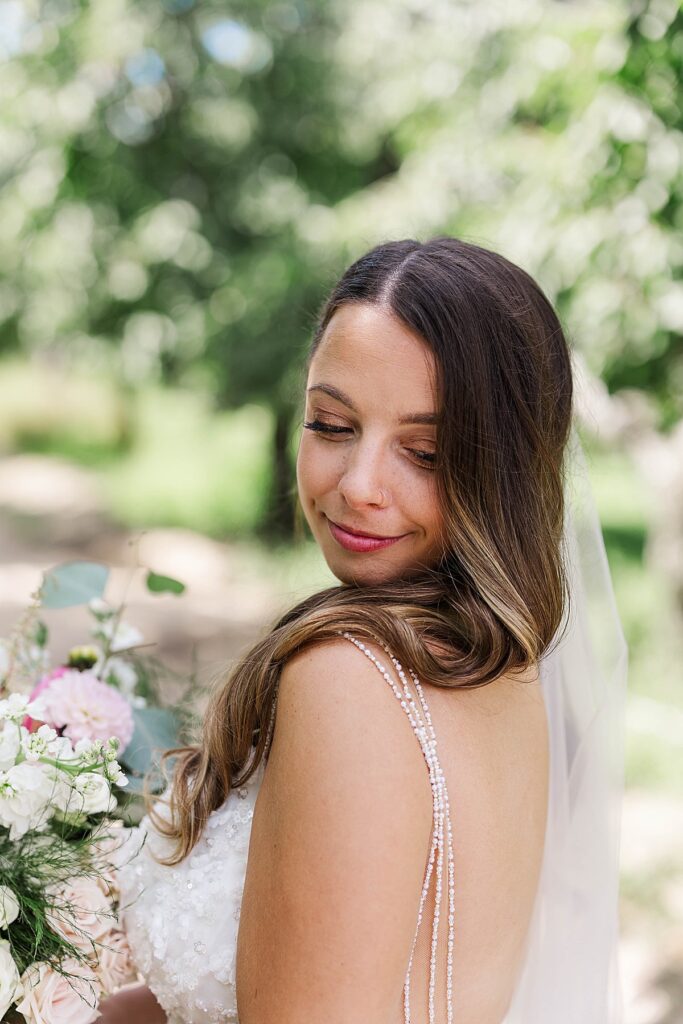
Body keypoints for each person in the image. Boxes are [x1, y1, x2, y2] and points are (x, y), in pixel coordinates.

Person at [100, 236, 627, 1024]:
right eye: (332, 424)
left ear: (504, 472)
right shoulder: (507, 671)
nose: (358, 486)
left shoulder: (350, 679)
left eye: (424, 452)